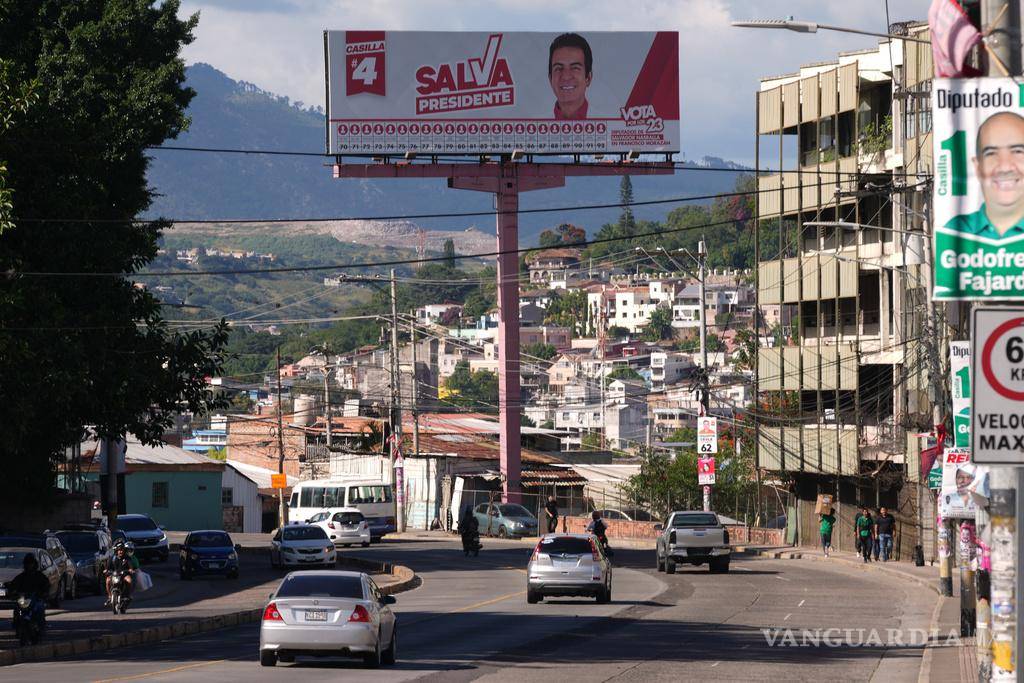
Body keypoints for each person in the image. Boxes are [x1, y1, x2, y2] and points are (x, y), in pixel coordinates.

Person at [946, 111, 1024, 239]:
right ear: (977, 167)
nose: (1004, 167)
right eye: (992, 153)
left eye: (1017, 151)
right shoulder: (956, 232)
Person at [548, 33, 592, 120]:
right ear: (550, 79)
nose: (566, 76)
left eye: (575, 68)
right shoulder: (533, 124)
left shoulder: (611, 123)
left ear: (588, 78)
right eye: (558, 68)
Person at [105, 541, 137, 606]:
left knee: (129, 580)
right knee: (108, 580)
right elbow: (108, 567)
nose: (120, 551)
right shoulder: (112, 558)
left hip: (124, 575)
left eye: (122, 550)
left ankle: (127, 595)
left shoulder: (127, 558)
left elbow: (130, 566)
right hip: (114, 575)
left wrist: (131, 570)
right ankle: (109, 596)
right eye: (119, 550)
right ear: (116, 550)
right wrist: (106, 570)